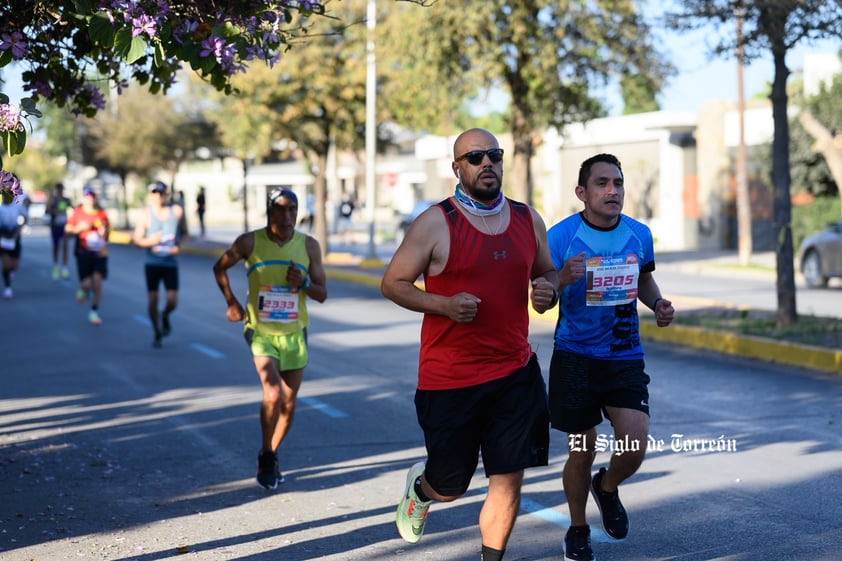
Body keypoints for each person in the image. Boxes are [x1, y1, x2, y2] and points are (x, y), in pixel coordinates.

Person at [380, 128, 559, 561]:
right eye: (475, 156)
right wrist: (442, 304)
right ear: (456, 167)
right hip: (450, 380)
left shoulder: (526, 218)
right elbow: (393, 283)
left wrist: (547, 290)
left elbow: (548, 272)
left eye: (494, 155)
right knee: (451, 484)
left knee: (507, 478)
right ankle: (423, 490)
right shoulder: (436, 223)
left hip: (515, 373)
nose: (487, 163)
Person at [546, 153, 675, 561]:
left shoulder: (639, 234)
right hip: (575, 358)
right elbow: (541, 297)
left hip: (623, 355)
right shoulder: (561, 236)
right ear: (582, 192)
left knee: (634, 444)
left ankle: (608, 487)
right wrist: (561, 278)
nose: (612, 190)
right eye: (602, 183)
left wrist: (658, 305)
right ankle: (578, 528)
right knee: (581, 449)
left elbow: (645, 281)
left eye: (617, 183)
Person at [212, 187, 327, 490]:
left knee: (289, 403)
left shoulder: (309, 246)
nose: (288, 215)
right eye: (281, 209)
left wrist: (303, 283)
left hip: (295, 332)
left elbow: (322, 293)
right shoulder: (250, 242)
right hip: (260, 331)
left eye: (293, 209)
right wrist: (231, 302)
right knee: (273, 394)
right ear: (270, 211)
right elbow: (220, 267)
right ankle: (267, 453)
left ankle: (270, 453)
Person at [132, 181, 189, 348]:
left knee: (172, 300)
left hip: (170, 263)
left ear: (166, 194)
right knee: (153, 299)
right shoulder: (145, 214)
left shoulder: (176, 212)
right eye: (154, 193)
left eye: (161, 193)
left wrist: (178, 246)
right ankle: (157, 330)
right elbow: (137, 240)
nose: (158, 196)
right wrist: (151, 242)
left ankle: (165, 315)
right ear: (150, 195)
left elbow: (185, 233)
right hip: (152, 263)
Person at [66, 186, 110, 325]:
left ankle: (94, 312)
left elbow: (108, 234)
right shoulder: (77, 212)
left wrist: (104, 232)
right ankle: (83, 290)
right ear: (83, 198)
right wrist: (79, 228)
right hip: (83, 252)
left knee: (97, 283)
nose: (89, 199)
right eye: (87, 196)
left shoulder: (102, 213)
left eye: (92, 196)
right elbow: (68, 230)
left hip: (99, 254)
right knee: (86, 284)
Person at [0, 197, 27, 300]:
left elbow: (25, 216)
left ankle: (10, 272)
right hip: (3, 238)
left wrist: (20, 228)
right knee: (6, 264)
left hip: (14, 238)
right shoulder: (0, 208)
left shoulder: (17, 206)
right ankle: (8, 288)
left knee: (14, 266)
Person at [45, 182, 73, 280]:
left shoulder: (66, 200)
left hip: (64, 226)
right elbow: (47, 210)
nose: (60, 191)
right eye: (58, 189)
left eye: (61, 189)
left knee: (65, 245)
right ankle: (56, 266)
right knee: (56, 246)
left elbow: (72, 208)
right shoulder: (53, 199)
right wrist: (54, 210)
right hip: (55, 226)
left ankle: (64, 267)